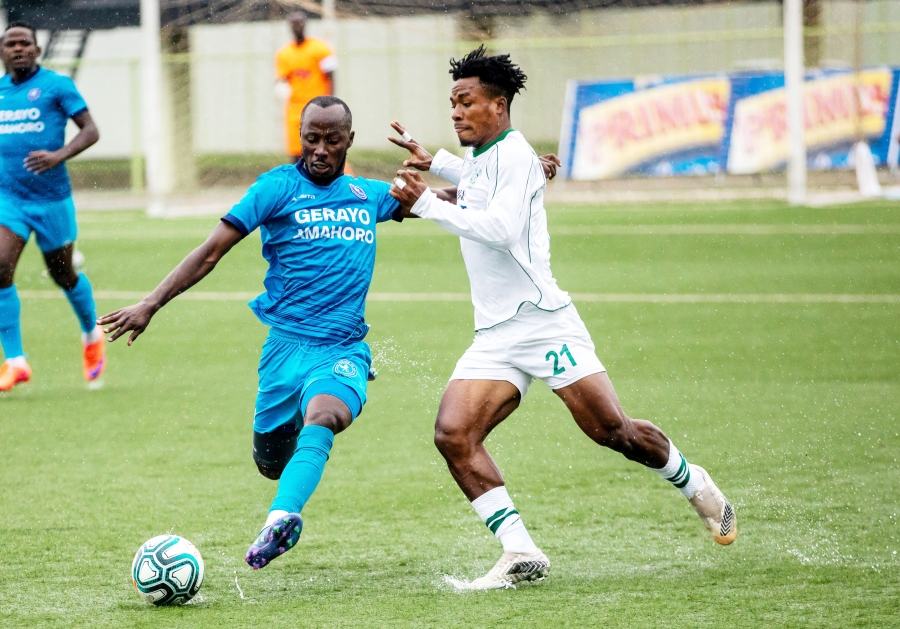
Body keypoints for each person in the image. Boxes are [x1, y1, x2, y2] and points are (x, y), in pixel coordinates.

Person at [388, 46, 737, 590]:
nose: (455, 112)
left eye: (466, 101)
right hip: (496, 333)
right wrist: (435, 162)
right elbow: (478, 177)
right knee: (454, 434)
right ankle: (520, 551)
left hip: (543, 322)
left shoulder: (516, 156)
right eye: (452, 102)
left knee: (613, 432)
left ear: (498, 105)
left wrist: (426, 203)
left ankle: (697, 484)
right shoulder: (489, 154)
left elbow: (501, 229)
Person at [97, 96, 403, 570]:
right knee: (270, 465)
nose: (321, 150)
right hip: (284, 351)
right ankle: (299, 431)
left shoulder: (369, 195)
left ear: (349, 141)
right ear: (300, 137)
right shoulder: (276, 188)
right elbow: (210, 251)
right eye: (312, 139)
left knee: (325, 415)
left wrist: (488, 170)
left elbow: (449, 202)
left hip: (342, 347)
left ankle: (280, 519)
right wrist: (150, 303)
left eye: (332, 140)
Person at [0, 21, 105, 392]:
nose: (18, 48)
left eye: (25, 42)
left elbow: (91, 130)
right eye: (11, 43)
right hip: (9, 196)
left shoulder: (57, 86)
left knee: (63, 274)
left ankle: (91, 333)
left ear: (36, 50)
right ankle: (15, 362)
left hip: (52, 199)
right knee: (0, 267)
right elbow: (6, 130)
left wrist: (58, 155)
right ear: (1, 52)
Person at [275, 12, 338, 161]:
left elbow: (331, 77)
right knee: (296, 150)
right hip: (294, 108)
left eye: (299, 23)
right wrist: (280, 86)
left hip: (317, 106)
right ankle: (298, 175)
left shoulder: (321, 48)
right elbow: (282, 79)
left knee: (319, 148)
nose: (297, 26)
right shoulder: (284, 53)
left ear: (305, 24)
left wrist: (330, 103)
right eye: (293, 23)